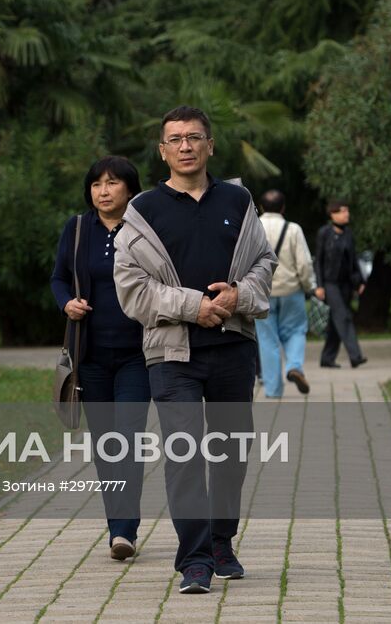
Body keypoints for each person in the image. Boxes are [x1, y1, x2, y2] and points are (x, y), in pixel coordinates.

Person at [114, 106, 276, 595]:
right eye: (175, 139)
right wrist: (194, 307)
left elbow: (264, 262)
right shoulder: (142, 210)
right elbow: (131, 288)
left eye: (194, 137)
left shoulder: (238, 199)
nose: (185, 146)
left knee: (230, 451)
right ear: (162, 151)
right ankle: (195, 559)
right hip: (171, 354)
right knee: (184, 454)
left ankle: (221, 542)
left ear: (210, 144)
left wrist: (237, 296)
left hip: (233, 347)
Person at [50, 156, 149, 562]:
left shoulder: (145, 227)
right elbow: (58, 277)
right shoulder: (77, 229)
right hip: (89, 356)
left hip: (138, 354)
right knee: (106, 445)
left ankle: (125, 529)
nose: (103, 191)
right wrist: (66, 303)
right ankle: (117, 528)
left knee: (128, 438)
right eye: (96, 184)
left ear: (130, 188)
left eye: (111, 183)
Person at [257, 190, 316, 398]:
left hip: (262, 292)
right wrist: (309, 286)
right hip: (291, 291)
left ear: (261, 207)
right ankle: (294, 367)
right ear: (283, 208)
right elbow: (304, 263)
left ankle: (273, 390)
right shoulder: (293, 229)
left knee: (267, 339)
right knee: (296, 331)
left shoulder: (253, 227)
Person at [314, 200, 367, 369]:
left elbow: (353, 260)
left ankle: (327, 358)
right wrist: (319, 285)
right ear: (333, 214)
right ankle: (355, 356)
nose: (347, 214)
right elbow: (318, 261)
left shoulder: (348, 234)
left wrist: (360, 281)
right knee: (343, 317)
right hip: (329, 284)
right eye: (343, 211)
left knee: (335, 321)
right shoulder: (324, 233)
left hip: (346, 284)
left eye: (347, 211)